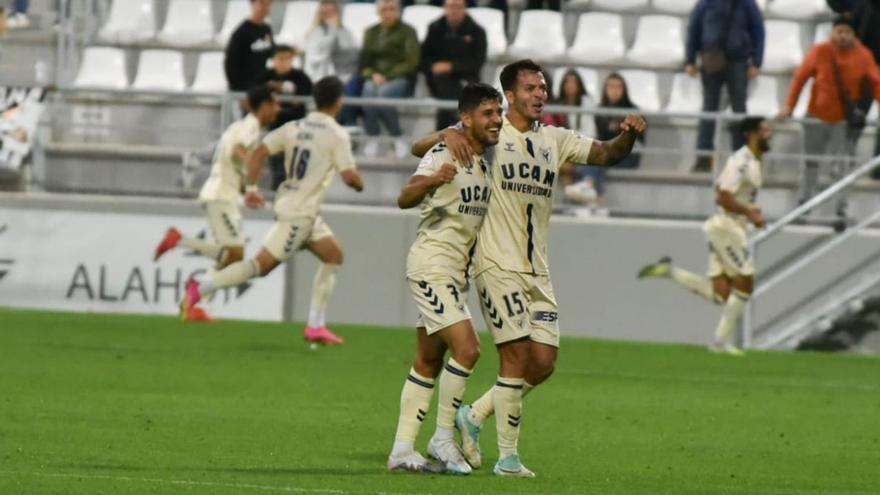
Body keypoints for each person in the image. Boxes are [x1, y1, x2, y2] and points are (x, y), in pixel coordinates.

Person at [412, 59, 646, 477]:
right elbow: (422, 148)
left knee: (543, 362)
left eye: (543, 87)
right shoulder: (490, 135)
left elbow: (606, 154)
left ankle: (475, 415)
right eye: (532, 88)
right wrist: (450, 131)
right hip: (496, 264)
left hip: (537, 269)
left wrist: (626, 136)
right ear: (510, 94)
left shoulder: (555, 138)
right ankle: (508, 459)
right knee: (516, 356)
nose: (541, 94)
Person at [180, 77, 365, 345]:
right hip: (298, 215)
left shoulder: (294, 127)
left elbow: (258, 153)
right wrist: (359, 182)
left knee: (333, 255)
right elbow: (350, 178)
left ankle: (315, 325)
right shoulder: (336, 134)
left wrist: (253, 187)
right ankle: (202, 287)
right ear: (339, 102)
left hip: (305, 213)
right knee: (259, 266)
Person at [386, 83, 502, 474]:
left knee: (428, 359)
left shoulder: (483, 160)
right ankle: (442, 437)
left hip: (454, 274)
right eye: (488, 113)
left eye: (498, 112)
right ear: (466, 118)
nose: (497, 120)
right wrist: (434, 180)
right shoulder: (444, 151)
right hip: (431, 266)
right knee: (468, 350)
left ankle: (402, 449)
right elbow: (404, 197)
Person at [638, 117, 772, 355]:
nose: (769, 134)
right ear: (751, 134)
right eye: (764, 130)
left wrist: (750, 211)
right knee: (746, 280)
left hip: (732, 226)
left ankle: (670, 271)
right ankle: (720, 343)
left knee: (722, 295)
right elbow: (722, 196)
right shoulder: (740, 161)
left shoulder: (755, 161)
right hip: (726, 227)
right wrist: (750, 213)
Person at [154, 86, 281, 321]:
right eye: (275, 103)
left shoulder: (242, 126)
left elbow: (229, 160)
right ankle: (180, 244)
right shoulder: (250, 127)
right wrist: (253, 164)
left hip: (223, 194)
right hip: (220, 195)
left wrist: (248, 190)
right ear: (263, 106)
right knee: (234, 256)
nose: (278, 108)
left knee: (231, 257)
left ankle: (193, 304)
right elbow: (237, 150)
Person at [778, 17, 880, 229]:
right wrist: (790, 106)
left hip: (842, 122)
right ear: (833, 32)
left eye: (846, 32)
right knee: (810, 163)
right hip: (816, 115)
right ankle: (804, 203)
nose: (842, 36)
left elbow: (876, 82)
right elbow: (801, 77)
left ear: (853, 35)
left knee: (843, 165)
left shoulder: (863, 56)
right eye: (839, 31)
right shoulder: (820, 51)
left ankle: (840, 208)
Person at [686, 0, 765, 172]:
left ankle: (741, 156)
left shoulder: (747, 4)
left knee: (739, 111)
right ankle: (704, 156)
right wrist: (690, 59)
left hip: (738, 60)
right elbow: (694, 28)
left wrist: (756, 62)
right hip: (712, 58)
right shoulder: (706, 3)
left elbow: (758, 31)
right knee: (709, 109)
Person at [359, 0, 420, 158]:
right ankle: (373, 136)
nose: (388, 13)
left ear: (398, 11)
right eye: (384, 9)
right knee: (368, 91)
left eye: (392, 9)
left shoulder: (408, 31)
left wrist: (388, 76)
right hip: (375, 76)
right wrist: (372, 74)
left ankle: (396, 136)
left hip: (399, 76)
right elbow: (364, 62)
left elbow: (412, 61)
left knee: (383, 96)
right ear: (379, 12)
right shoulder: (371, 32)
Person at [827, 0, 880, 177]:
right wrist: (846, 10)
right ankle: (843, 159)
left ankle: (876, 168)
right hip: (864, 61)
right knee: (855, 114)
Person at [420, 0, 487, 130]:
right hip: (437, 80)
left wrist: (452, 66)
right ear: (444, 8)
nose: (454, 10)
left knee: (448, 87)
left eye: (458, 6)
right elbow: (424, 57)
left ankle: (445, 129)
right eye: (451, 6)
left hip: (466, 78)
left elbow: (477, 61)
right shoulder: (434, 28)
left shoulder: (477, 31)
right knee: (442, 80)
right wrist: (433, 67)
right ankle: (459, 120)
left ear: (465, 8)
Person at [262, 44, 314, 189]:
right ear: (273, 60)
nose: (283, 62)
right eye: (280, 58)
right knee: (276, 161)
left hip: (295, 125)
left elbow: (304, 97)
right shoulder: (266, 76)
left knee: (293, 162)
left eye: (287, 58)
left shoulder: (301, 78)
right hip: (273, 125)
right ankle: (276, 190)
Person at [303, 0, 359, 84]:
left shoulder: (345, 32)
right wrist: (333, 30)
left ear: (337, 14)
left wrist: (335, 29)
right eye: (324, 13)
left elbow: (351, 54)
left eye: (331, 12)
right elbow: (320, 53)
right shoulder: (314, 33)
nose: (328, 16)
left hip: (343, 74)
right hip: (317, 75)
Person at [225, 0, 275, 93]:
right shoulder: (241, 32)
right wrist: (238, 89)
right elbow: (230, 64)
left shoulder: (266, 29)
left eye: (269, 4)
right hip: (243, 89)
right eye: (262, 3)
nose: (266, 7)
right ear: (252, 4)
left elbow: (272, 52)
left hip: (259, 88)